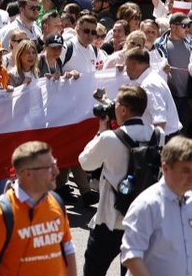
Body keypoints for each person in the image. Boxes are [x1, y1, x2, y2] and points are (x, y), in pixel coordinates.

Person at [78, 84, 160, 276]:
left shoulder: (109, 138)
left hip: (111, 219)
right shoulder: (158, 136)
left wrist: (101, 128)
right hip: (144, 220)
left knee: (94, 270)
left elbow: (85, 163)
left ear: (123, 109)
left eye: (116, 105)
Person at [0, 141, 77, 276]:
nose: (56, 171)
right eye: (49, 167)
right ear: (27, 174)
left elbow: (68, 249)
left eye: (55, 164)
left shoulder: (56, 202)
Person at [120, 135, 192, 276]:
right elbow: (131, 256)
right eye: (185, 171)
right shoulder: (147, 205)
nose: (191, 177)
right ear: (166, 168)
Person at [124, 47, 183, 138]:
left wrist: (158, 148)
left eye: (126, 66)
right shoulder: (150, 79)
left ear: (134, 65)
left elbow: (160, 120)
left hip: (165, 139)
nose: (126, 70)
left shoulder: (149, 85)